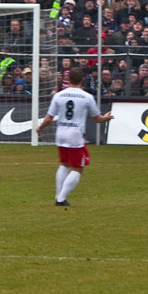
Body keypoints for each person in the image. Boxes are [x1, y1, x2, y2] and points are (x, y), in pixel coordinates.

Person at [34, 66, 114, 208]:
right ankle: (61, 198)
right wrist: (106, 118)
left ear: (68, 79)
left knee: (64, 164)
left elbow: (48, 118)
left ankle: (58, 196)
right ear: (82, 80)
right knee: (78, 168)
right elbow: (97, 118)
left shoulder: (59, 95)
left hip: (61, 134)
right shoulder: (87, 97)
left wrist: (40, 128)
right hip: (75, 135)